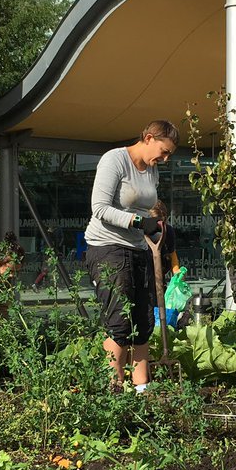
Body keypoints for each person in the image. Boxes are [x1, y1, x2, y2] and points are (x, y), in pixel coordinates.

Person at [84, 120, 178, 391]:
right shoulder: (114, 160)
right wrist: (139, 222)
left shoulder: (152, 170)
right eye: (163, 151)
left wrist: (156, 231)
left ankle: (142, 390)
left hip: (139, 248)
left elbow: (148, 211)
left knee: (144, 320)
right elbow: (99, 208)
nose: (165, 158)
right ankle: (112, 392)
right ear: (148, 138)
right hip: (107, 247)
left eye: (169, 154)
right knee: (120, 322)